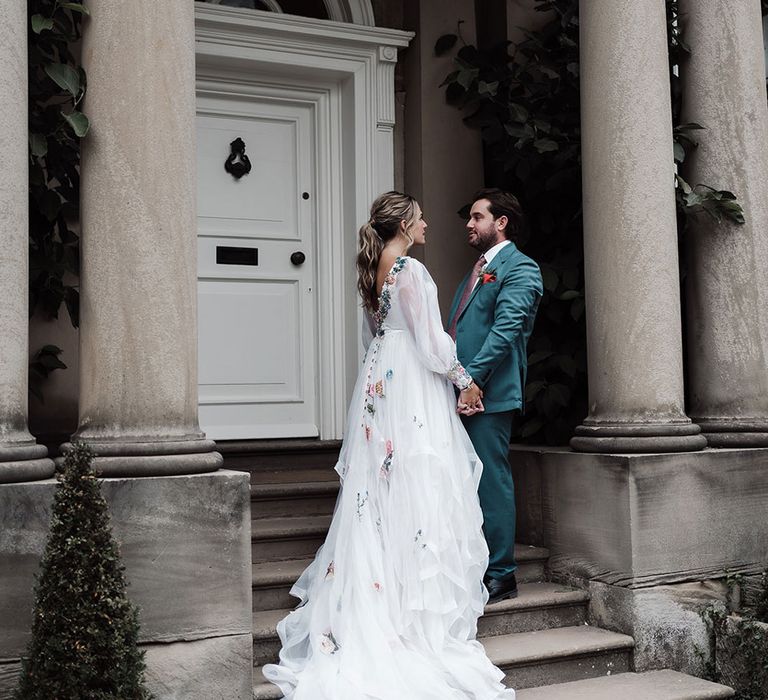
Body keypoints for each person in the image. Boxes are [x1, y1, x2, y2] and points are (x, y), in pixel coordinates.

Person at [263, 191, 515, 699]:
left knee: (379, 488)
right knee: (418, 481)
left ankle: (383, 592)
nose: (426, 225)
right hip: (411, 388)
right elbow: (430, 341)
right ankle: (408, 602)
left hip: (382, 381)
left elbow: (374, 336)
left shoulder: (374, 268)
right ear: (403, 222)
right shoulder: (412, 271)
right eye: (420, 218)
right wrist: (464, 379)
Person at [448, 188, 543, 604]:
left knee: (491, 479)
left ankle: (501, 574)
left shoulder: (521, 269)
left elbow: (506, 330)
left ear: (500, 222)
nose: (469, 224)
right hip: (461, 389)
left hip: (488, 393)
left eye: (476, 217)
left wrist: (473, 379)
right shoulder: (476, 270)